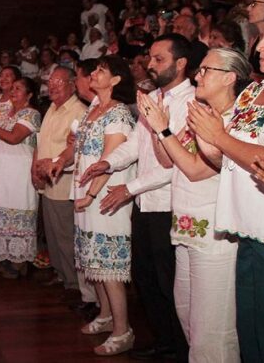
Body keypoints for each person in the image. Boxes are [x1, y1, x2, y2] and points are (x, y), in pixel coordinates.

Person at [79, 35, 194, 361]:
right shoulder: (153, 97)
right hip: (145, 203)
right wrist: (108, 162)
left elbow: (176, 164)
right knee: (146, 277)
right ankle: (164, 342)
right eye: (151, 59)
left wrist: (129, 188)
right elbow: (134, 144)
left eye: (159, 59)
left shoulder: (189, 102)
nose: (151, 65)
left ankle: (181, 348)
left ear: (180, 63)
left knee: (170, 282)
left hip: (169, 204)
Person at [139, 48, 249, 362]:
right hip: (185, 225)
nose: (197, 76)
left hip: (215, 236)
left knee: (211, 331)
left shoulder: (234, 122)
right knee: (188, 319)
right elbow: (167, 161)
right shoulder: (199, 112)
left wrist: (162, 129)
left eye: (205, 70)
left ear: (229, 78)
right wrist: (156, 125)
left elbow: (196, 169)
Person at [185, 0, 264, 361]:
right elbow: (224, 160)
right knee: (251, 332)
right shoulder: (253, 95)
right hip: (247, 230)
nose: (260, 46)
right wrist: (208, 136)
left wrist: (217, 136)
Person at [50, 55, 137, 356]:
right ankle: (105, 314)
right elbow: (82, 153)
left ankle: (123, 331)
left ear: (116, 80)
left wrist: (91, 194)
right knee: (92, 262)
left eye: (102, 70)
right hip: (86, 195)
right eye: (95, 70)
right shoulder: (92, 111)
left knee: (109, 266)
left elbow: (109, 161)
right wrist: (62, 162)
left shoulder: (119, 114)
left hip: (106, 198)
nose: (94, 74)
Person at [32, 66, 88, 298]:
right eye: (51, 81)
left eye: (59, 82)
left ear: (72, 84)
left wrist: (52, 164)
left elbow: (75, 150)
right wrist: (35, 168)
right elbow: (42, 142)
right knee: (53, 235)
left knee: (65, 236)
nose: (52, 86)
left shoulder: (78, 110)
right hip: (48, 183)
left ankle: (75, 285)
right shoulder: (52, 109)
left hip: (64, 183)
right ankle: (61, 274)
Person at [0, 75, 41, 279]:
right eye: (12, 88)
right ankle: (5, 254)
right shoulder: (5, 112)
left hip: (20, 172)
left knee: (18, 207)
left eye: (18, 89)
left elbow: (15, 138)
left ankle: (19, 260)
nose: (13, 92)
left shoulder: (31, 114)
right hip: (2, 171)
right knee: (2, 207)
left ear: (29, 94)